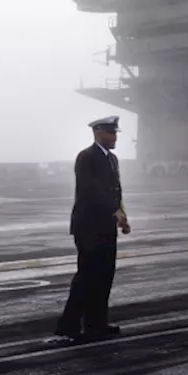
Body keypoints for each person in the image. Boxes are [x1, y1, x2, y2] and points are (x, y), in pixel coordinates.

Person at [56, 116, 129, 341]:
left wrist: (122, 215)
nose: (115, 137)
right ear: (98, 133)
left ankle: (96, 323)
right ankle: (68, 327)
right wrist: (113, 210)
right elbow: (91, 189)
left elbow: (115, 190)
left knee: (105, 275)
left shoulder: (112, 159)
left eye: (115, 133)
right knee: (86, 276)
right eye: (110, 133)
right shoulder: (86, 157)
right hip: (88, 226)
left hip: (107, 226)